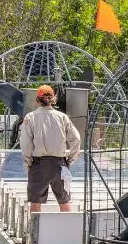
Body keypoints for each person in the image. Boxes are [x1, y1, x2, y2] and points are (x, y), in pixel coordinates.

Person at [18, 84, 81, 212]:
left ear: (37, 100)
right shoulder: (62, 117)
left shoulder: (30, 118)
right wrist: (69, 160)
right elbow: (76, 139)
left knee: (35, 203)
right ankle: (67, 230)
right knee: (64, 201)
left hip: (38, 164)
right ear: (54, 99)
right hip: (59, 163)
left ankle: (34, 231)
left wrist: (28, 162)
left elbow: (25, 143)